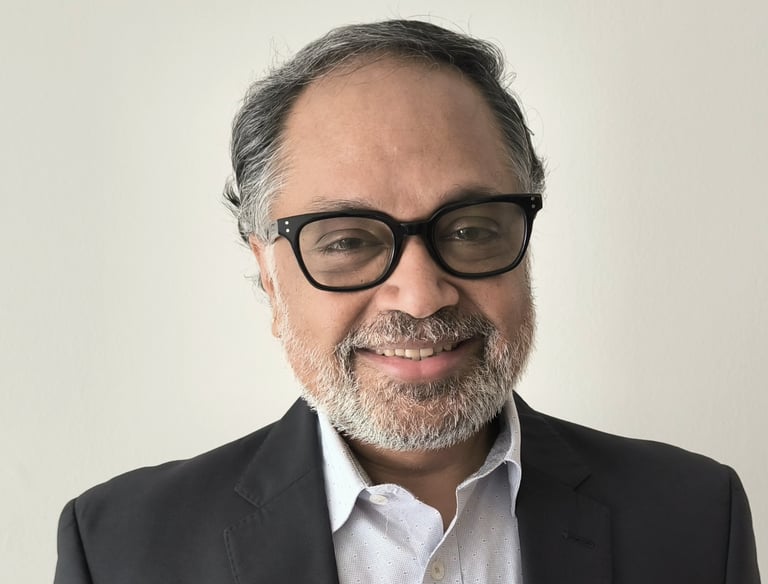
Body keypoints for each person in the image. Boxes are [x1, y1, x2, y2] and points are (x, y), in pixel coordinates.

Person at [54, 19, 760, 583]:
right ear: (268, 274)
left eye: (470, 229)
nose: (421, 298)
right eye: (348, 241)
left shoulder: (696, 518)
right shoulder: (120, 551)